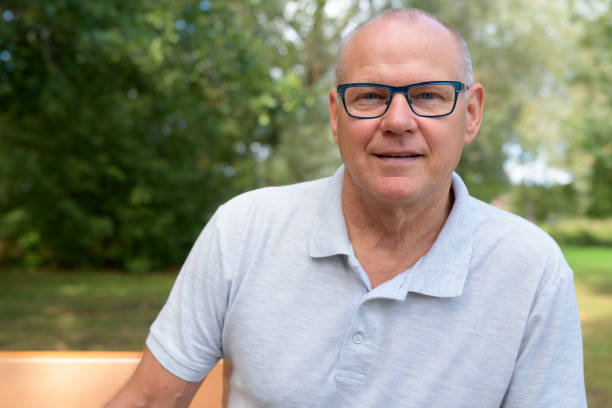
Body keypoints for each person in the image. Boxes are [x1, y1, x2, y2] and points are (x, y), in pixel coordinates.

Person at [107, 8, 586, 408]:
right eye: (372, 96)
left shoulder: (532, 269)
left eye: (428, 96)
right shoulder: (244, 229)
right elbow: (149, 400)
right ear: (335, 116)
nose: (399, 121)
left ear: (472, 113)